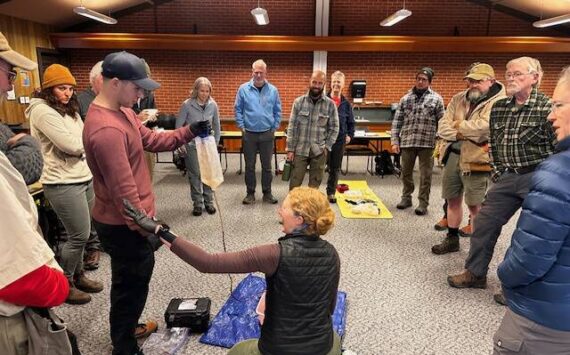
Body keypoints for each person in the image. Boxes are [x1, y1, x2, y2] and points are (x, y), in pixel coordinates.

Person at [82, 51, 210, 355]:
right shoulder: (107, 129)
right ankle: (124, 346)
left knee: (132, 281)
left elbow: (152, 141)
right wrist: (146, 227)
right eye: (137, 87)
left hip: (132, 222)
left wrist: (188, 131)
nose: (142, 94)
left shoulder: (123, 111)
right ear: (114, 83)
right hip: (124, 225)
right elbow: (124, 193)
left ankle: (127, 328)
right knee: (130, 285)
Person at [124, 187, 341, 355]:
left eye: (283, 208)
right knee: (334, 338)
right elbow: (328, 308)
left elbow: (207, 263)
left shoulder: (274, 254)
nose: (278, 211)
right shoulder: (332, 253)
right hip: (322, 347)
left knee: (238, 350)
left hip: (278, 349)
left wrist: (161, 231)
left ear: (299, 219)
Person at [447, 57, 557, 305]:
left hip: (537, 178)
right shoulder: (501, 108)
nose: (511, 78)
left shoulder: (546, 107)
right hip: (506, 176)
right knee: (484, 223)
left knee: (528, 234)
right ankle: (475, 273)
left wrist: (548, 180)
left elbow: (556, 147)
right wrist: (497, 172)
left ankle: (518, 286)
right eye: (508, 74)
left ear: (535, 78)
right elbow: (494, 144)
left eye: (517, 74)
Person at [492, 66, 570, 354]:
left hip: (544, 323)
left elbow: (528, 260)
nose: (551, 115)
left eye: (560, 105)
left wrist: (504, 275)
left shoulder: (559, 174)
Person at [0, 30, 69, 355]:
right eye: (7, 72)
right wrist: (58, 285)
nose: (10, 85)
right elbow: (25, 277)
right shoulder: (42, 112)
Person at [26, 63, 103, 305]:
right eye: (61, 88)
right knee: (78, 235)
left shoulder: (69, 109)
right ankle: (66, 282)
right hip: (61, 181)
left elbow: (82, 137)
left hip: (82, 176)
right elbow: (71, 145)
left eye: (70, 88)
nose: (68, 93)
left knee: (85, 230)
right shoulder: (43, 111)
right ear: (49, 89)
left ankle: (79, 275)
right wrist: (83, 147)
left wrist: (82, 146)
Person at [431, 63, 505, 255]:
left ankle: (478, 247)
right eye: (470, 81)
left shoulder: (499, 102)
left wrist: (457, 127)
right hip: (452, 156)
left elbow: (485, 129)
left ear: (491, 81)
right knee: (452, 200)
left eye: (478, 81)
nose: (473, 85)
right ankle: (452, 238)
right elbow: (442, 127)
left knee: (475, 204)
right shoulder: (458, 98)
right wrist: (462, 132)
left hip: (477, 160)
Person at [391, 67, 445, 215]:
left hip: (427, 144)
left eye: (424, 80)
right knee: (406, 173)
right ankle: (406, 197)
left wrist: (440, 143)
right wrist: (395, 141)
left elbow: (442, 122)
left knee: (425, 175)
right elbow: (397, 121)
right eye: (418, 79)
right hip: (407, 141)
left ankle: (423, 203)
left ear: (429, 82)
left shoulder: (436, 99)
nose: (420, 82)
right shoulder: (405, 99)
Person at [235, 59, 282, 205]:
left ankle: (267, 193)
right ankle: (250, 194)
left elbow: (277, 110)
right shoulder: (243, 89)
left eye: (261, 72)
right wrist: (241, 126)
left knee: (267, 166)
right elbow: (237, 109)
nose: (259, 75)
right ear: (252, 72)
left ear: (266, 72)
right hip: (249, 133)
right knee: (250, 166)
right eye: (256, 72)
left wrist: (274, 126)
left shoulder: (273, 90)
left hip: (267, 133)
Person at [175, 77, 221, 216]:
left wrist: (216, 142)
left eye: (207, 91)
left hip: (208, 144)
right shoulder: (187, 105)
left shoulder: (213, 105)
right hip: (192, 144)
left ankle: (209, 202)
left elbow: (217, 126)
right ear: (196, 90)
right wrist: (181, 143)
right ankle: (197, 204)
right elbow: (179, 126)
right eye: (202, 91)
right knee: (195, 174)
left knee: (208, 173)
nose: (204, 94)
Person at [287, 70, 339, 190]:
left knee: (314, 188)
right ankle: (293, 208)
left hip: (319, 151)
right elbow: (292, 127)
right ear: (309, 82)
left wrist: (327, 147)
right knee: (294, 185)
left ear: (324, 84)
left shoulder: (330, 105)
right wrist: (290, 149)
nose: (316, 86)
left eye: (319, 83)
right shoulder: (298, 102)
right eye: (314, 82)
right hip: (300, 149)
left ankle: (311, 208)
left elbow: (335, 128)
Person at [76, 61, 105, 270]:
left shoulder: (115, 104)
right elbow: (74, 138)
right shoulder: (82, 101)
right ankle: (92, 248)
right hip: (83, 162)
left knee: (100, 201)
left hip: (98, 159)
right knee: (92, 206)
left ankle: (101, 243)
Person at [326, 71, 355, 203]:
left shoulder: (346, 104)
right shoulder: (324, 100)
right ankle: (314, 192)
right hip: (324, 140)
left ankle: (331, 192)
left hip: (339, 140)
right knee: (319, 167)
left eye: (339, 82)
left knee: (335, 167)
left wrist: (350, 135)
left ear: (343, 85)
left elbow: (351, 122)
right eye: (334, 82)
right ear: (330, 84)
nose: (336, 84)